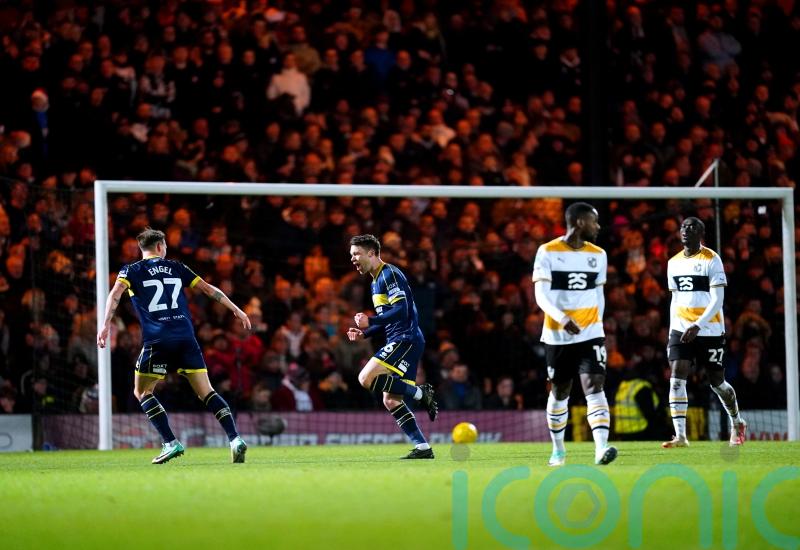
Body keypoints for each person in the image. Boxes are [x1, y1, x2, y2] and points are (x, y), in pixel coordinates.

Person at [97, 228, 251, 464]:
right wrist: (237, 309)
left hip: (158, 340)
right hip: (186, 338)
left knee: (142, 392)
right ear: (160, 246)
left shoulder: (131, 270)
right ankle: (235, 439)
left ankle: (170, 442)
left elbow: (114, 295)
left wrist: (106, 324)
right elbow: (210, 290)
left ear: (143, 248)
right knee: (207, 392)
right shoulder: (176, 267)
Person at [532, 202, 617, 466]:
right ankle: (558, 451)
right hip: (558, 336)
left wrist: (598, 323)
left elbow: (599, 294)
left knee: (595, 385)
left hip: (591, 333)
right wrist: (562, 318)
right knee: (560, 391)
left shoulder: (599, 254)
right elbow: (541, 294)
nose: (598, 226)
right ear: (580, 222)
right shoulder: (547, 251)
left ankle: (601, 449)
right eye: (595, 221)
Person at [346, 234, 438, 459]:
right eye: (351, 255)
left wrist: (371, 320)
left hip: (405, 339)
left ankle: (420, 393)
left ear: (371, 253)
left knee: (365, 378)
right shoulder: (375, 280)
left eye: (356, 254)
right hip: (400, 339)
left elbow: (401, 310)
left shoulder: (389, 274)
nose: (353, 259)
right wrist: (365, 333)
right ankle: (423, 448)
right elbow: (387, 316)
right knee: (391, 399)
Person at [662, 217, 746, 448]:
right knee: (677, 377)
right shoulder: (673, 262)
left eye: (693, 227)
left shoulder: (712, 259)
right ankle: (680, 436)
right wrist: (674, 329)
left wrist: (698, 324)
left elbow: (718, 299)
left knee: (717, 382)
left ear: (702, 233)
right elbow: (675, 299)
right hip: (681, 328)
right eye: (684, 227)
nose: (687, 230)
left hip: (709, 329)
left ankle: (737, 422)